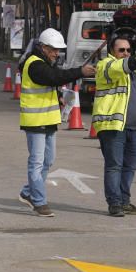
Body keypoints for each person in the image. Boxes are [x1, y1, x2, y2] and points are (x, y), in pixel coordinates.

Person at [18, 28, 96, 217]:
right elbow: (53, 77)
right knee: (36, 163)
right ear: (43, 47)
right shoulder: (34, 64)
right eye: (53, 49)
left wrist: (60, 95)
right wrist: (80, 71)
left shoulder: (44, 62)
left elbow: (50, 82)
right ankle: (39, 202)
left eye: (58, 50)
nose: (57, 53)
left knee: (48, 160)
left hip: (49, 120)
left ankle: (28, 192)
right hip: (35, 121)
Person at [93, 37, 136, 217]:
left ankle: (124, 200)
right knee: (114, 165)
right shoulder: (106, 66)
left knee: (131, 165)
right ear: (112, 52)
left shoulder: (135, 73)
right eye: (121, 50)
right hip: (113, 126)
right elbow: (118, 68)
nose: (126, 53)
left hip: (134, 127)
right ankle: (114, 204)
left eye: (128, 50)